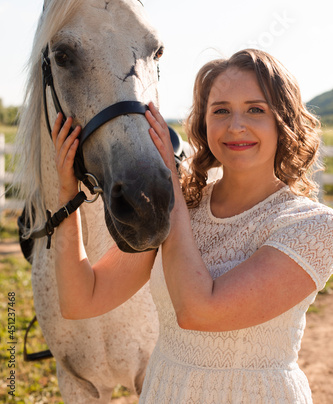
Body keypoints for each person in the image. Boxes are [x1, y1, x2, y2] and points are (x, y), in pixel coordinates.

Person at [53, 48, 333, 403]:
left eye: (256, 109)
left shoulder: (313, 227)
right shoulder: (183, 207)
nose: (235, 126)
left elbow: (198, 310)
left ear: (285, 122)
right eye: (220, 111)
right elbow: (81, 300)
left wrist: (169, 181)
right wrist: (67, 196)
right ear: (203, 123)